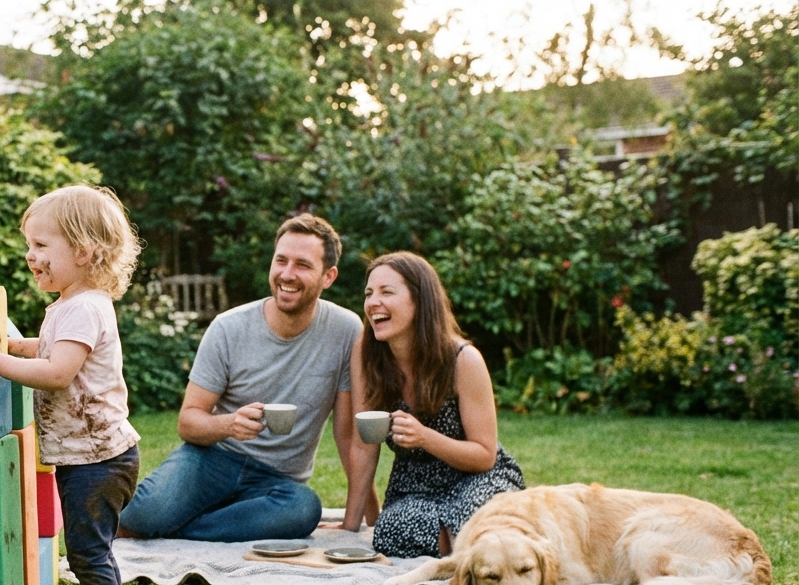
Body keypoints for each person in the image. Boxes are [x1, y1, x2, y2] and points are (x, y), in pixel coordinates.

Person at [0, 185, 141, 585]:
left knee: (87, 554)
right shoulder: (73, 304)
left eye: (42, 245)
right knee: (92, 548)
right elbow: (53, 347)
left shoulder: (83, 306)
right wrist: (20, 347)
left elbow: (59, 371)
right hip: (92, 455)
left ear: (84, 251)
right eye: (30, 244)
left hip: (97, 460)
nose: (30, 256)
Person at [118, 213, 374, 542]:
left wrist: (359, 522)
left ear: (329, 276)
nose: (287, 274)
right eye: (280, 260)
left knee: (304, 509)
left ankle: (183, 530)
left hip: (279, 481)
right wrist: (229, 424)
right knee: (143, 515)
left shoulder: (346, 330)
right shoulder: (229, 327)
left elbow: (347, 433)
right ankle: (181, 522)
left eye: (302, 265)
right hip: (211, 459)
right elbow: (188, 422)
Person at [342, 251, 525, 557]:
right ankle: (472, 549)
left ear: (420, 300)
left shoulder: (463, 360)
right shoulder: (366, 353)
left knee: (474, 516)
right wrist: (349, 528)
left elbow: (484, 456)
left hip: (476, 476)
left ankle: (478, 546)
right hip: (413, 485)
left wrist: (425, 437)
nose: (373, 302)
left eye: (387, 292)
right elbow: (365, 444)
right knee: (390, 530)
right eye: (369, 293)